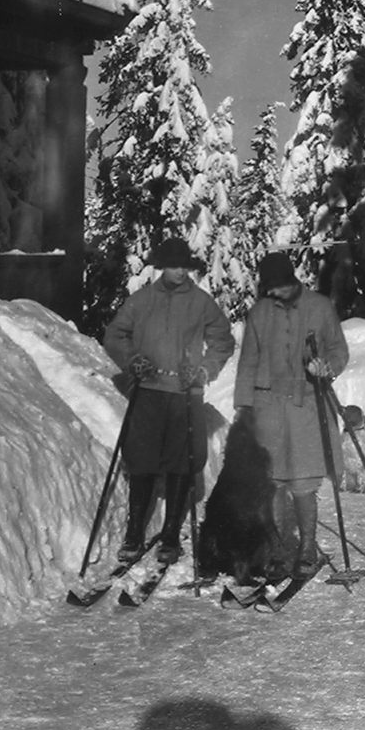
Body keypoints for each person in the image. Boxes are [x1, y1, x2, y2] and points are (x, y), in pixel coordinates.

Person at [103, 237, 235, 565]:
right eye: (174, 266)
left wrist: (204, 370)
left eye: (184, 267)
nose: (180, 272)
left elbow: (223, 340)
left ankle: (171, 536)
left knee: (182, 463)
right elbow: (115, 335)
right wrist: (132, 361)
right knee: (141, 461)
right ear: (162, 267)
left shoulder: (202, 303)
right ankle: (134, 533)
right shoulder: (142, 301)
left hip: (185, 395)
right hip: (148, 392)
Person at [234, 251, 349, 577]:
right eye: (268, 287)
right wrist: (244, 408)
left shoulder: (320, 307)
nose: (273, 293)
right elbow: (248, 362)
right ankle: (277, 548)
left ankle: (307, 547)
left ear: (291, 280)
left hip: (307, 408)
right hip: (268, 407)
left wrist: (327, 366)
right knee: (271, 482)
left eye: (278, 286)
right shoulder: (259, 313)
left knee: (302, 482)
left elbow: (339, 350)